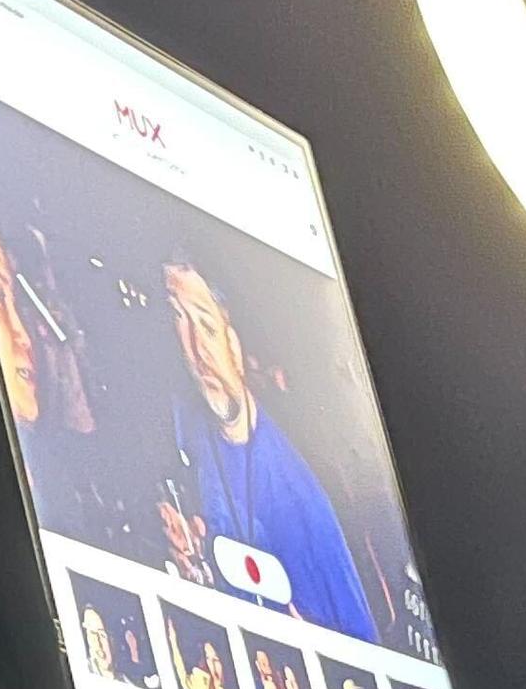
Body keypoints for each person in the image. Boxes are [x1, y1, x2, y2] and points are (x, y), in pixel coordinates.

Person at [152, 257, 379, 644]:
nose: (195, 347)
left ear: (236, 346)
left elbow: (361, 648)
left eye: (206, 325)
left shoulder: (302, 498)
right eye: (178, 319)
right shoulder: (178, 424)